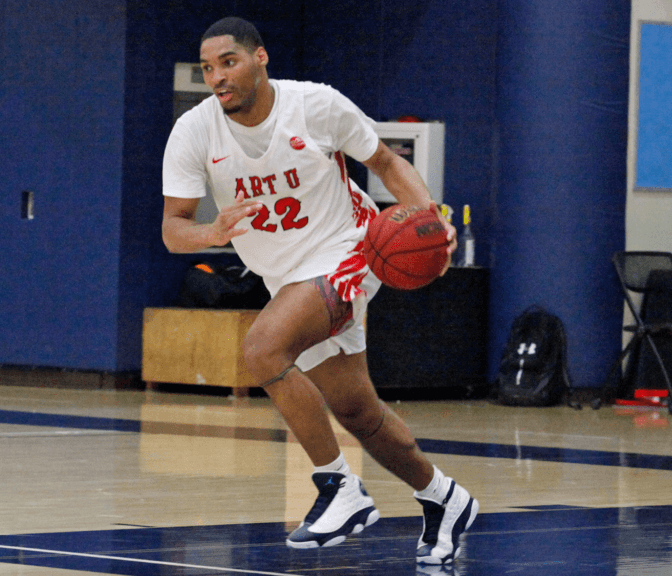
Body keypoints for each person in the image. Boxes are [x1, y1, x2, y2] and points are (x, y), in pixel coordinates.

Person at [161, 16, 478, 565]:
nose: (218, 77)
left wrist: (432, 219)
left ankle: (338, 487)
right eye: (209, 68)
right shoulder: (193, 131)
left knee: (262, 348)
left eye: (229, 63)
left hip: (350, 248)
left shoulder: (316, 105)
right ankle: (442, 497)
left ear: (261, 58)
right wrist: (211, 232)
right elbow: (173, 229)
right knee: (358, 411)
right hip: (285, 277)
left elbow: (384, 161)